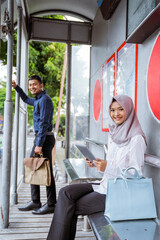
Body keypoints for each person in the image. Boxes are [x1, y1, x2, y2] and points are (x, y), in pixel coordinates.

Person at [47, 94, 147, 240]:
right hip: (105, 184)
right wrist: (97, 163)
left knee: (69, 206)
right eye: (112, 110)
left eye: (120, 109)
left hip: (118, 192)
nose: (116, 114)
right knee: (65, 193)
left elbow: (136, 174)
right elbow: (113, 164)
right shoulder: (114, 134)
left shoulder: (137, 139)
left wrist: (107, 168)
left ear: (129, 110)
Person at [12, 75, 56, 215]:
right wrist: (16, 87)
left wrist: (39, 145)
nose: (32, 87)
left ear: (41, 85)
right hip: (42, 138)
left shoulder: (45, 101)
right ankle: (35, 201)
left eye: (34, 85)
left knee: (46, 171)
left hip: (44, 140)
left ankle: (51, 204)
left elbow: (43, 124)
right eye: (30, 85)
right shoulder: (38, 100)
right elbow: (25, 99)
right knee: (33, 168)